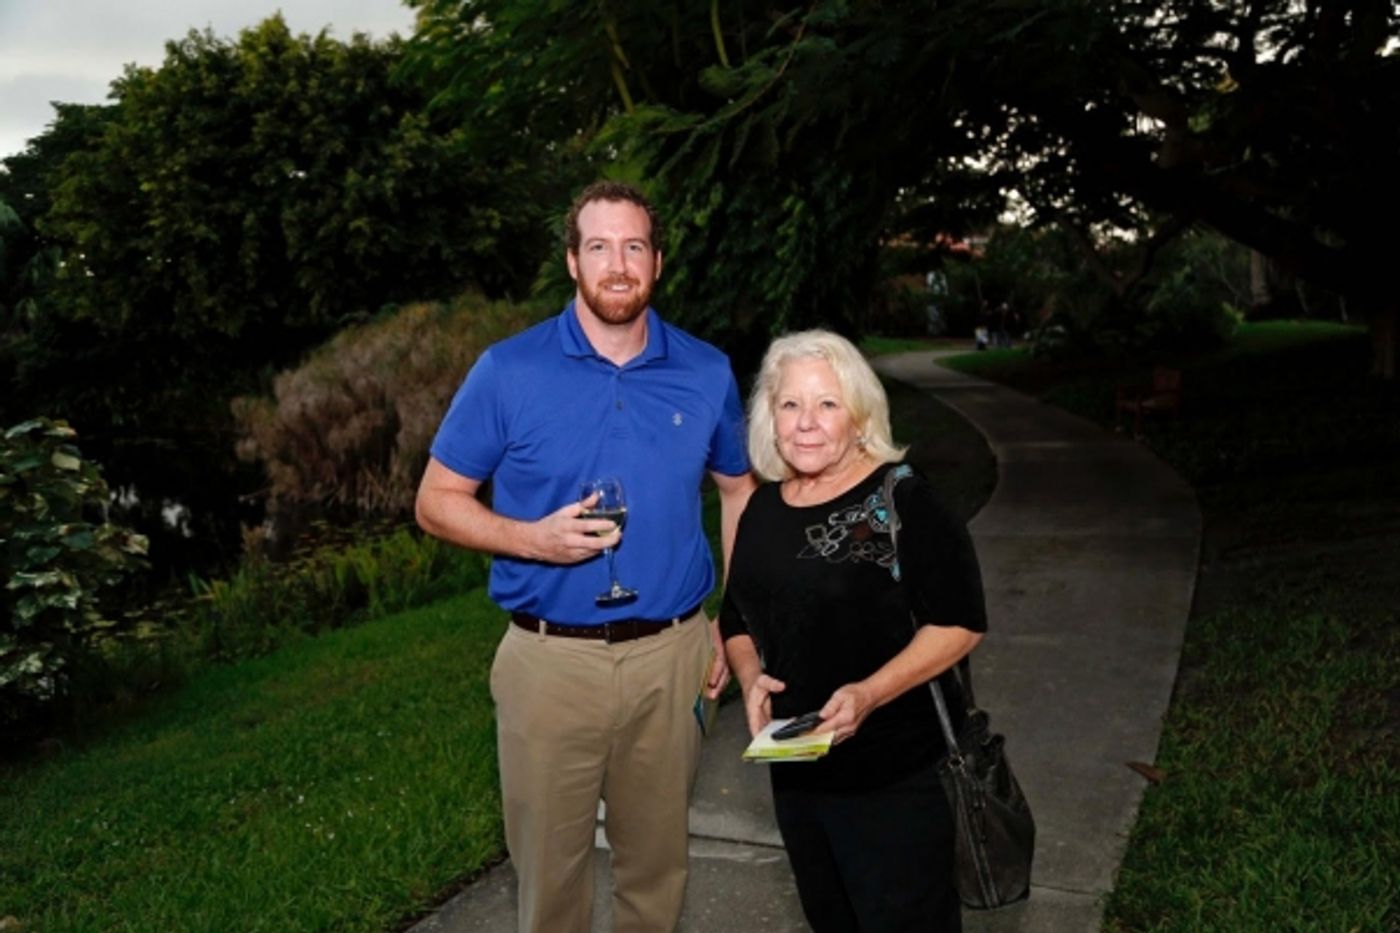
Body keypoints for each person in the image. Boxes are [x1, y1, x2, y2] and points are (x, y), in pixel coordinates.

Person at [415, 180, 756, 933]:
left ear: (657, 263)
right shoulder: (509, 370)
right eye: (598, 247)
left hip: (672, 658)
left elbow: (739, 490)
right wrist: (528, 537)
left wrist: (734, 621)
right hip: (549, 666)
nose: (618, 265)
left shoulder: (704, 372)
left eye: (634, 246)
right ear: (572, 262)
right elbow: (435, 500)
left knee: (656, 872)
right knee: (550, 883)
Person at [719, 329, 987, 932]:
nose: (806, 422)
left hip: (895, 780)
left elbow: (961, 624)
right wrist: (750, 674)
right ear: (770, 416)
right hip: (798, 778)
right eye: (790, 404)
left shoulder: (905, 502)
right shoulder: (764, 510)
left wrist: (869, 693)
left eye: (827, 404)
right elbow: (736, 616)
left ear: (859, 415)